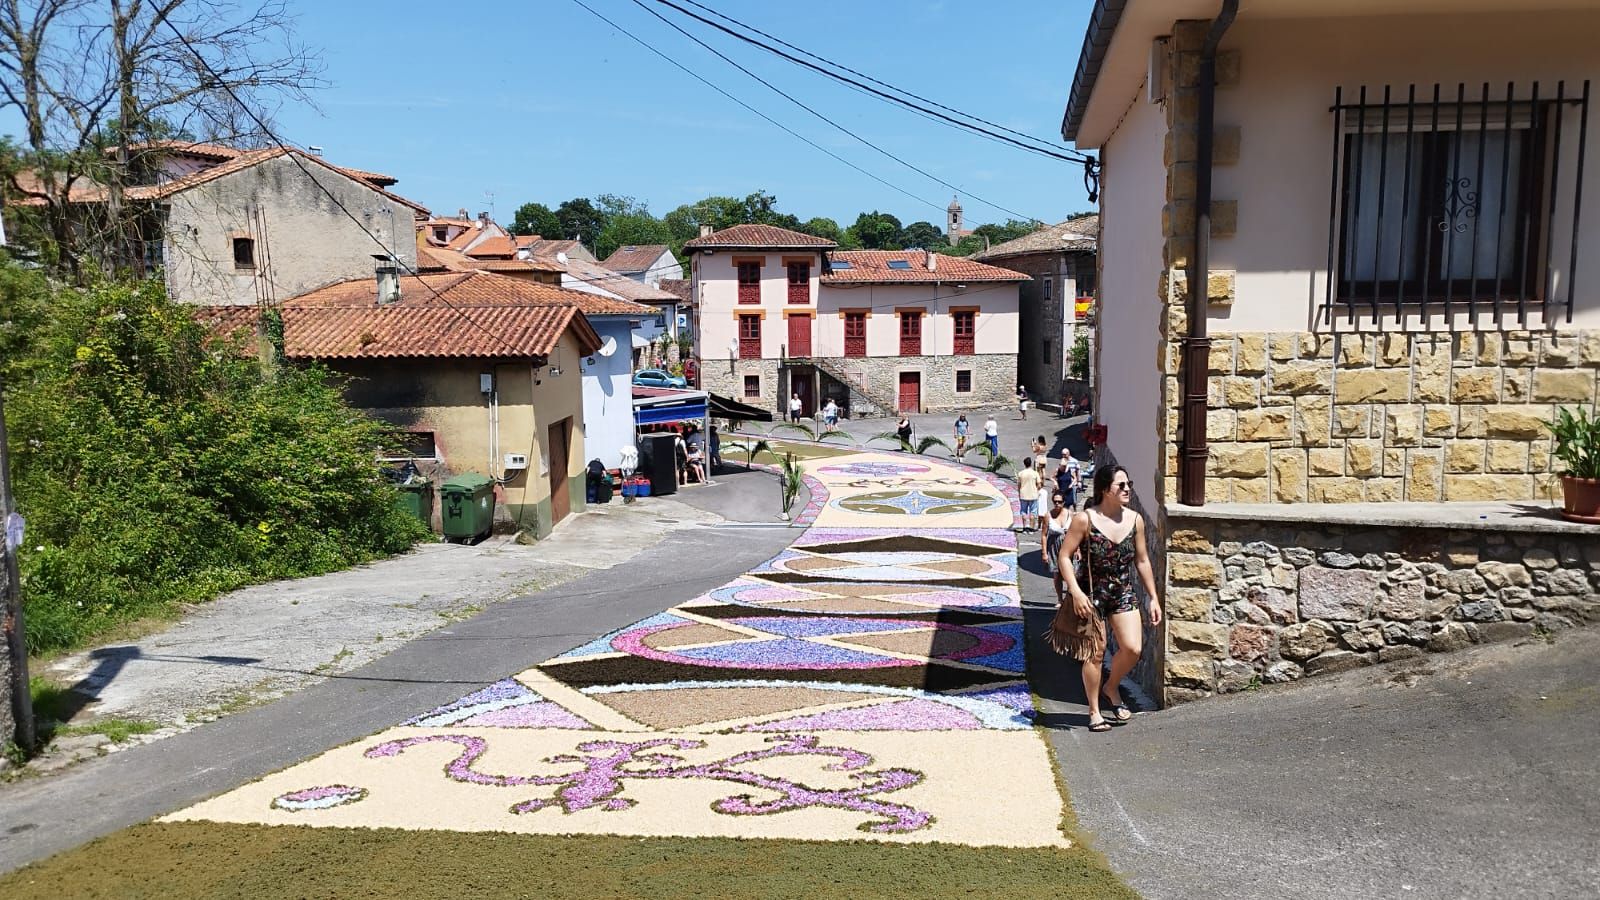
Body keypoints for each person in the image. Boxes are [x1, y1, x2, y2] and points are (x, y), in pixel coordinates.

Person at [1049, 465, 1163, 733]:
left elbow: (1143, 559)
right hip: (1091, 594)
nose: (1127, 489)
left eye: (1128, 484)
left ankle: (1111, 687)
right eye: (1120, 485)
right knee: (1096, 653)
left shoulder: (1135, 520)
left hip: (1122, 592)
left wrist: (1153, 597)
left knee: (1133, 648)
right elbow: (1064, 556)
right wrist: (1075, 592)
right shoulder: (1084, 519)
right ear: (1104, 489)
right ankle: (1094, 711)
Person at [1041, 490, 1071, 592]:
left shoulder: (1070, 514)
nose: (1057, 504)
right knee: (1057, 574)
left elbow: (1075, 533)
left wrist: (1078, 549)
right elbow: (1044, 535)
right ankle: (1059, 599)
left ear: (1064, 502)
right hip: (1054, 546)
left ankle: (1069, 598)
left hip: (1068, 545)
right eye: (1055, 502)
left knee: (1070, 573)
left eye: (1059, 502)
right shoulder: (1048, 516)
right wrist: (1044, 553)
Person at [1017, 456, 1042, 532]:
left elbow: (1019, 485)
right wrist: (1036, 490)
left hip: (1023, 494)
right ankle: (1031, 528)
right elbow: (1039, 484)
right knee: (1033, 512)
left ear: (1024, 464)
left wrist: (1019, 492)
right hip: (1033, 495)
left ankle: (1024, 527)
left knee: (1023, 511)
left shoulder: (1021, 473)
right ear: (1030, 464)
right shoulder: (1035, 473)